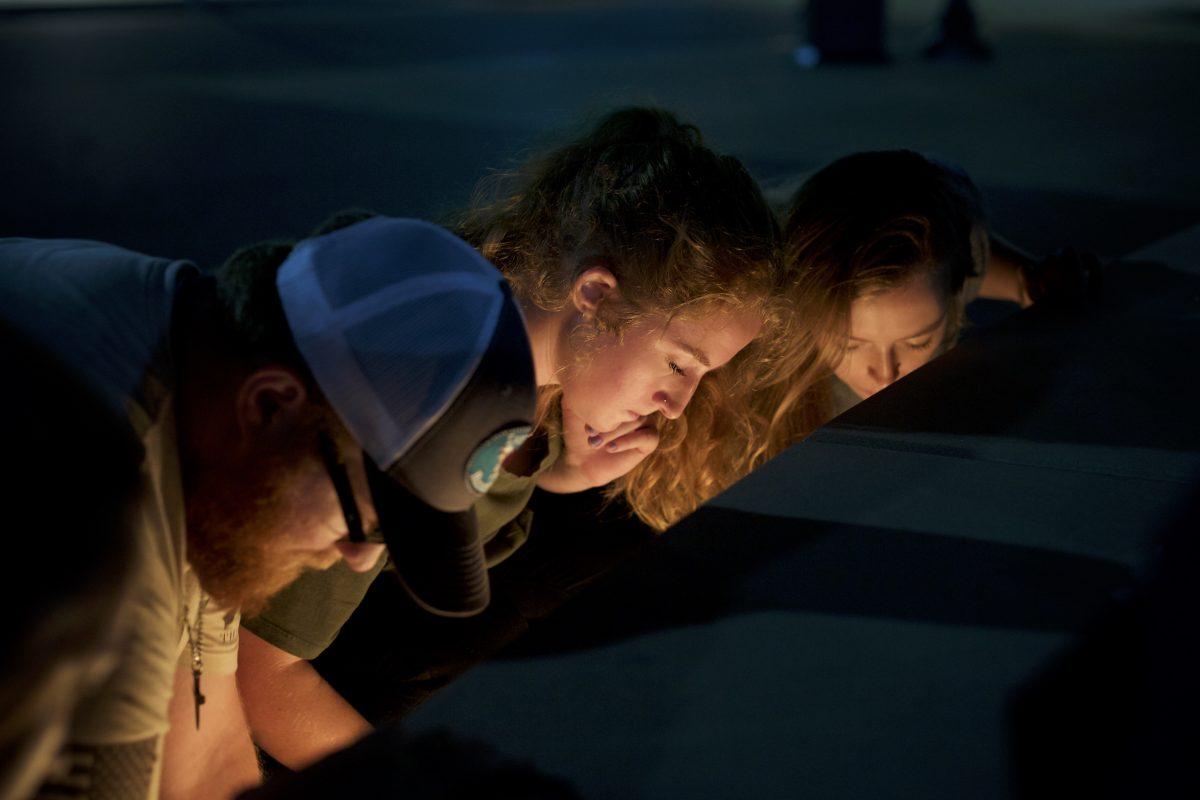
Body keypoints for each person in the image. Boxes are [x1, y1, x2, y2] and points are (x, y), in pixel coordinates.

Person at [237, 106, 786, 769]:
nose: (677, 406)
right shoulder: (424, 390)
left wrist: (565, 472)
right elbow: (261, 671)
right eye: (678, 363)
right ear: (597, 296)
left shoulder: (524, 378)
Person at [0, 215, 537, 800]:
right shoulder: (99, 494)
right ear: (271, 406)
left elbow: (204, 752)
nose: (358, 560)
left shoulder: (205, 378)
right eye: (364, 523)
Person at [619, 149, 1096, 529]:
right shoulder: (758, 330)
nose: (885, 373)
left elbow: (972, 256)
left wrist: (1028, 282)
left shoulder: (951, 263)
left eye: (918, 341)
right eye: (850, 342)